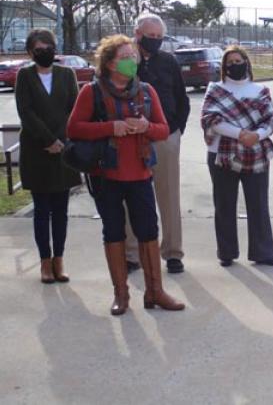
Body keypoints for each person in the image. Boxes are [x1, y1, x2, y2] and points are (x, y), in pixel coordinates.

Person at [67, 34, 185, 316]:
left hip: (141, 172)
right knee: (114, 232)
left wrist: (145, 125)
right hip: (106, 174)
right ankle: (121, 294)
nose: (132, 61)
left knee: (148, 231)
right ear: (108, 64)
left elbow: (161, 128)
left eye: (133, 56)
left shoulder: (146, 91)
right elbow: (74, 129)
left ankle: (155, 292)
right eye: (124, 58)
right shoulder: (91, 92)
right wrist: (111, 126)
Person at [201, 45, 273, 267]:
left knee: (258, 203)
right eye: (231, 62)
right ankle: (226, 252)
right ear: (224, 67)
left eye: (239, 61)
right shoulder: (215, 89)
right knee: (224, 203)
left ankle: (263, 253)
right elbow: (210, 120)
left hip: (256, 152)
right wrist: (240, 134)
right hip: (221, 154)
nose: (235, 65)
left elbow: (271, 120)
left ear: (247, 62)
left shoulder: (260, 89)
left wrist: (257, 135)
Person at [125, 14, 190, 274]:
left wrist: (176, 131)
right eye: (149, 36)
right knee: (131, 197)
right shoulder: (126, 58)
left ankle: (173, 252)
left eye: (158, 37)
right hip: (131, 138)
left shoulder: (169, 61)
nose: (154, 41)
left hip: (165, 136)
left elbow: (181, 98)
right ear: (137, 33)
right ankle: (132, 254)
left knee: (169, 195)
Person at [15, 29, 81, 284]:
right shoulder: (24, 75)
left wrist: (61, 140)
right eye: (39, 49)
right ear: (31, 52)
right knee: (42, 210)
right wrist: (48, 140)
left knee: (61, 210)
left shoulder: (67, 74)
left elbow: (74, 109)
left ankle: (59, 260)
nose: (45, 52)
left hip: (63, 149)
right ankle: (45, 261)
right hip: (36, 150)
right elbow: (26, 111)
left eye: (49, 47)